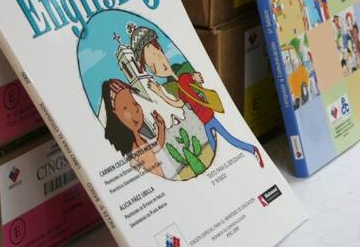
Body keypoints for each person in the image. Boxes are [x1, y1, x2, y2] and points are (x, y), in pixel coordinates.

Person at [132, 26, 264, 168]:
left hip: (209, 117)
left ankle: (253, 150)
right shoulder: (179, 87)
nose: (158, 66)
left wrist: (197, 78)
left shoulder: (184, 77)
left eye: (157, 54)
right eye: (152, 67)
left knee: (230, 140)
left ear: (161, 51)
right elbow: (178, 103)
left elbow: (195, 78)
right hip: (205, 121)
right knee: (214, 148)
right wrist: (160, 94)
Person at [102, 78, 167, 177]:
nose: (135, 110)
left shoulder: (140, 139)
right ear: (116, 113)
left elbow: (155, 148)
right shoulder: (130, 145)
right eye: (125, 108)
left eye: (134, 103)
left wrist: (161, 127)